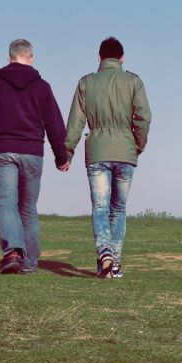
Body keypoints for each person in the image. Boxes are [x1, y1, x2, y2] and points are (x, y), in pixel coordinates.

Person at [0, 39, 69, 274]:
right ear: (31, 58)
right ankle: (29, 264)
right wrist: (61, 156)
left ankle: (13, 253)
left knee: (6, 203)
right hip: (33, 152)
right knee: (28, 208)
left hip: (3, 150)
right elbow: (55, 124)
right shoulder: (42, 86)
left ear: (9, 57)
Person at [61, 37, 151, 278]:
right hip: (125, 151)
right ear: (121, 58)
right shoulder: (134, 81)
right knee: (118, 210)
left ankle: (105, 254)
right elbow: (144, 117)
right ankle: (115, 263)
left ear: (99, 58)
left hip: (97, 152)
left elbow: (75, 122)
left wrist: (66, 151)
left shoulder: (86, 83)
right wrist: (138, 145)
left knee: (100, 207)